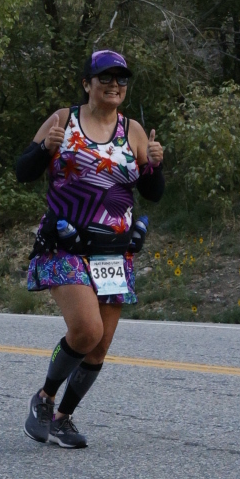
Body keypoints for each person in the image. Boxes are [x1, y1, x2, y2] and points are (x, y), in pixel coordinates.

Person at [15, 48, 165, 448]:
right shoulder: (64, 120)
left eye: (121, 79)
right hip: (66, 244)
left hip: (113, 251)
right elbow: (23, 172)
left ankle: (63, 418)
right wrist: (45, 149)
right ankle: (44, 398)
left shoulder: (133, 130)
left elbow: (153, 193)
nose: (115, 85)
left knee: (99, 346)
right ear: (87, 84)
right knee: (86, 329)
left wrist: (154, 164)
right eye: (105, 78)